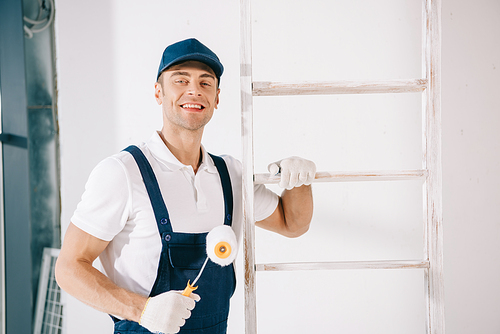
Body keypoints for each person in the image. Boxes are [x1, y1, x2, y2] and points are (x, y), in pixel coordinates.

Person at [55, 38, 315, 334]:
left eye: (206, 83)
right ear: (158, 92)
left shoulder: (231, 174)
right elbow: (69, 268)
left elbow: (292, 224)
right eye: (180, 80)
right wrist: (143, 310)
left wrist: (299, 180)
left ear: (217, 98)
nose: (194, 90)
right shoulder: (122, 173)